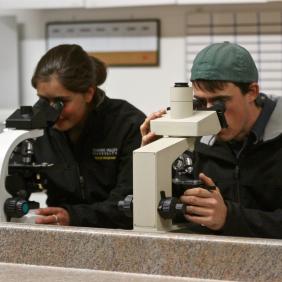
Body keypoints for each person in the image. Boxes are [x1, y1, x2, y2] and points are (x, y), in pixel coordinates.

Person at [141, 42, 282, 239]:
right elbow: (171, 207)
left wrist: (229, 217)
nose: (210, 114)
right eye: (201, 102)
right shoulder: (197, 138)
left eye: (219, 103)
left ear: (252, 91)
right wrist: (153, 161)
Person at [32, 44, 146, 228]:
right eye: (44, 101)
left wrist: (73, 217)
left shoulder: (128, 125)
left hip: (120, 236)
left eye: (61, 102)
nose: (52, 112)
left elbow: (130, 204)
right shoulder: (40, 129)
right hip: (60, 235)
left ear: (88, 93)